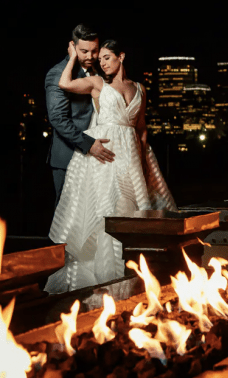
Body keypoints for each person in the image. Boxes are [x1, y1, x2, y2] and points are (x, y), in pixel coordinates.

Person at [44, 39, 177, 293]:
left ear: (121, 57)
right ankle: (101, 283)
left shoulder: (139, 88)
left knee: (131, 211)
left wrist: (143, 161)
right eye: (100, 58)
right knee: (103, 212)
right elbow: (65, 83)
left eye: (106, 57)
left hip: (131, 157)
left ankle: (131, 279)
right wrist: (72, 56)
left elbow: (141, 129)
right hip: (103, 157)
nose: (101, 62)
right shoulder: (97, 84)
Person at [45, 24, 115, 207]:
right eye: (84, 51)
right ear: (72, 47)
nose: (90, 57)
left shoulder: (100, 71)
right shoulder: (58, 74)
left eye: (94, 51)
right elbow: (58, 118)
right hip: (69, 157)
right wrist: (89, 144)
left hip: (99, 157)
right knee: (65, 222)